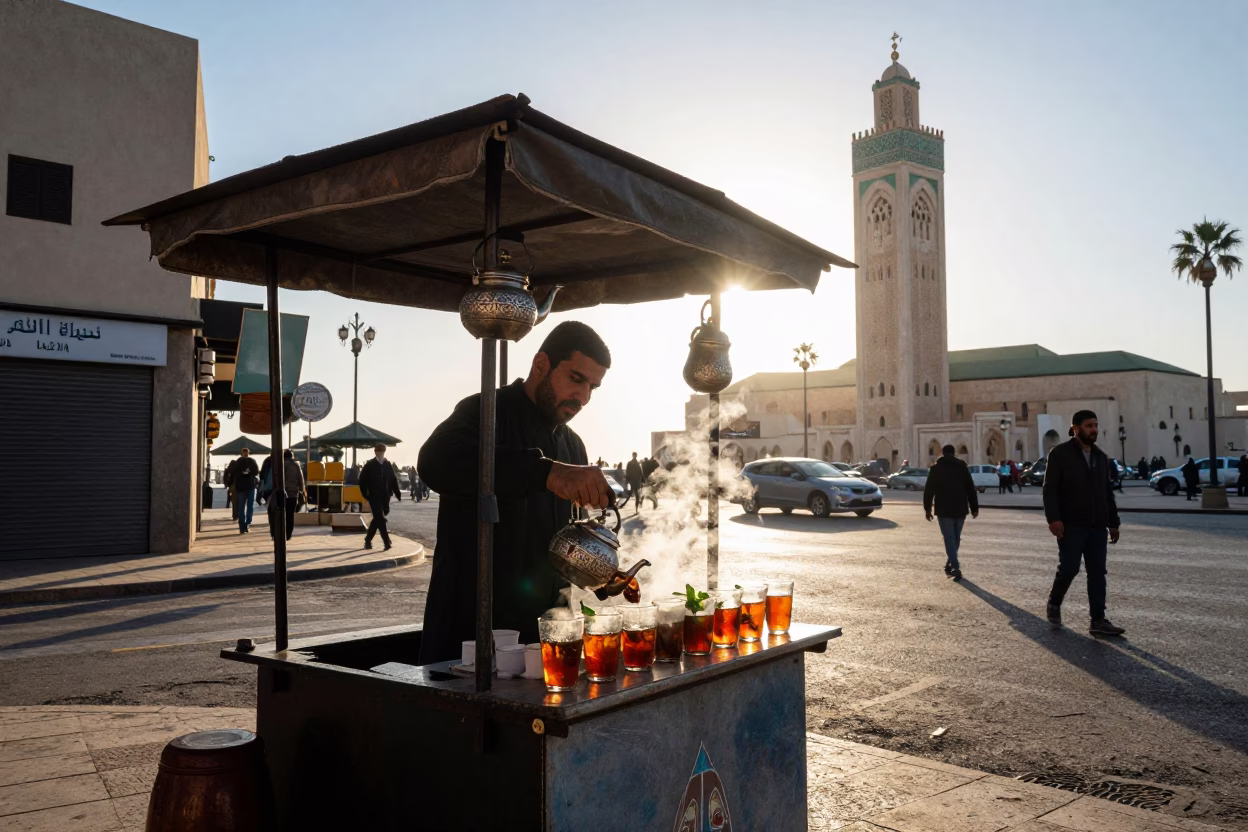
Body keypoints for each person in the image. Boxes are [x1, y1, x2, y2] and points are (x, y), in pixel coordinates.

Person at [417, 321, 613, 663]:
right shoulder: (487, 411)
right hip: (471, 641)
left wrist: (595, 573)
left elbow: (561, 548)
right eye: (576, 379)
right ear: (541, 365)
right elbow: (434, 461)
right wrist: (545, 472)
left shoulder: (573, 446)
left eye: (593, 387)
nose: (583, 398)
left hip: (546, 641)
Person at [1042, 410, 1124, 636]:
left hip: (1097, 526)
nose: (1094, 430)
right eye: (1089, 426)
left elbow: (1107, 492)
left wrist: (1113, 522)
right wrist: (1054, 518)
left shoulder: (1100, 456)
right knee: (1069, 568)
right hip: (1071, 524)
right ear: (1076, 428)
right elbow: (1050, 489)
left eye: (1096, 425)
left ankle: (1098, 620)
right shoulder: (1060, 454)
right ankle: (1054, 602)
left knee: (1097, 572)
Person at [923, 444, 979, 581]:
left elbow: (928, 491)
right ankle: (950, 564)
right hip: (960, 508)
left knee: (949, 538)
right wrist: (974, 507)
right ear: (954, 453)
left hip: (943, 509)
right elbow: (970, 488)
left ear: (942, 453)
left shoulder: (936, 469)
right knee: (955, 538)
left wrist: (927, 509)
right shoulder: (962, 468)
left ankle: (955, 566)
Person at [360, 443, 402, 550]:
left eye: (381, 451)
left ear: (384, 452)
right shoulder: (370, 465)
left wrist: (397, 493)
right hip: (374, 496)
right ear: (375, 452)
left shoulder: (387, 464)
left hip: (385, 496)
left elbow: (393, 479)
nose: (380, 453)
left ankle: (368, 540)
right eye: (378, 451)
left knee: (377, 519)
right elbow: (362, 480)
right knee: (380, 518)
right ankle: (387, 542)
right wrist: (366, 494)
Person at [268, 449, 305, 542]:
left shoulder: (279, 465)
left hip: (279, 493)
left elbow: (273, 478)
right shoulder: (296, 465)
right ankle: (288, 534)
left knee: (276, 512)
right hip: (293, 493)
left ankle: (275, 533)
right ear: (291, 456)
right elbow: (300, 480)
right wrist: (302, 491)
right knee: (290, 514)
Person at [231, 448, 260, 534]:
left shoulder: (241, 462)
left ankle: (245, 524)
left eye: (246, 453)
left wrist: (248, 473)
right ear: (242, 453)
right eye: (244, 453)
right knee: (245, 507)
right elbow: (256, 472)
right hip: (246, 487)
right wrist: (245, 473)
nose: (245, 455)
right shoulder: (240, 462)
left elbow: (255, 471)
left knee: (245, 507)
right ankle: (244, 525)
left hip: (244, 487)